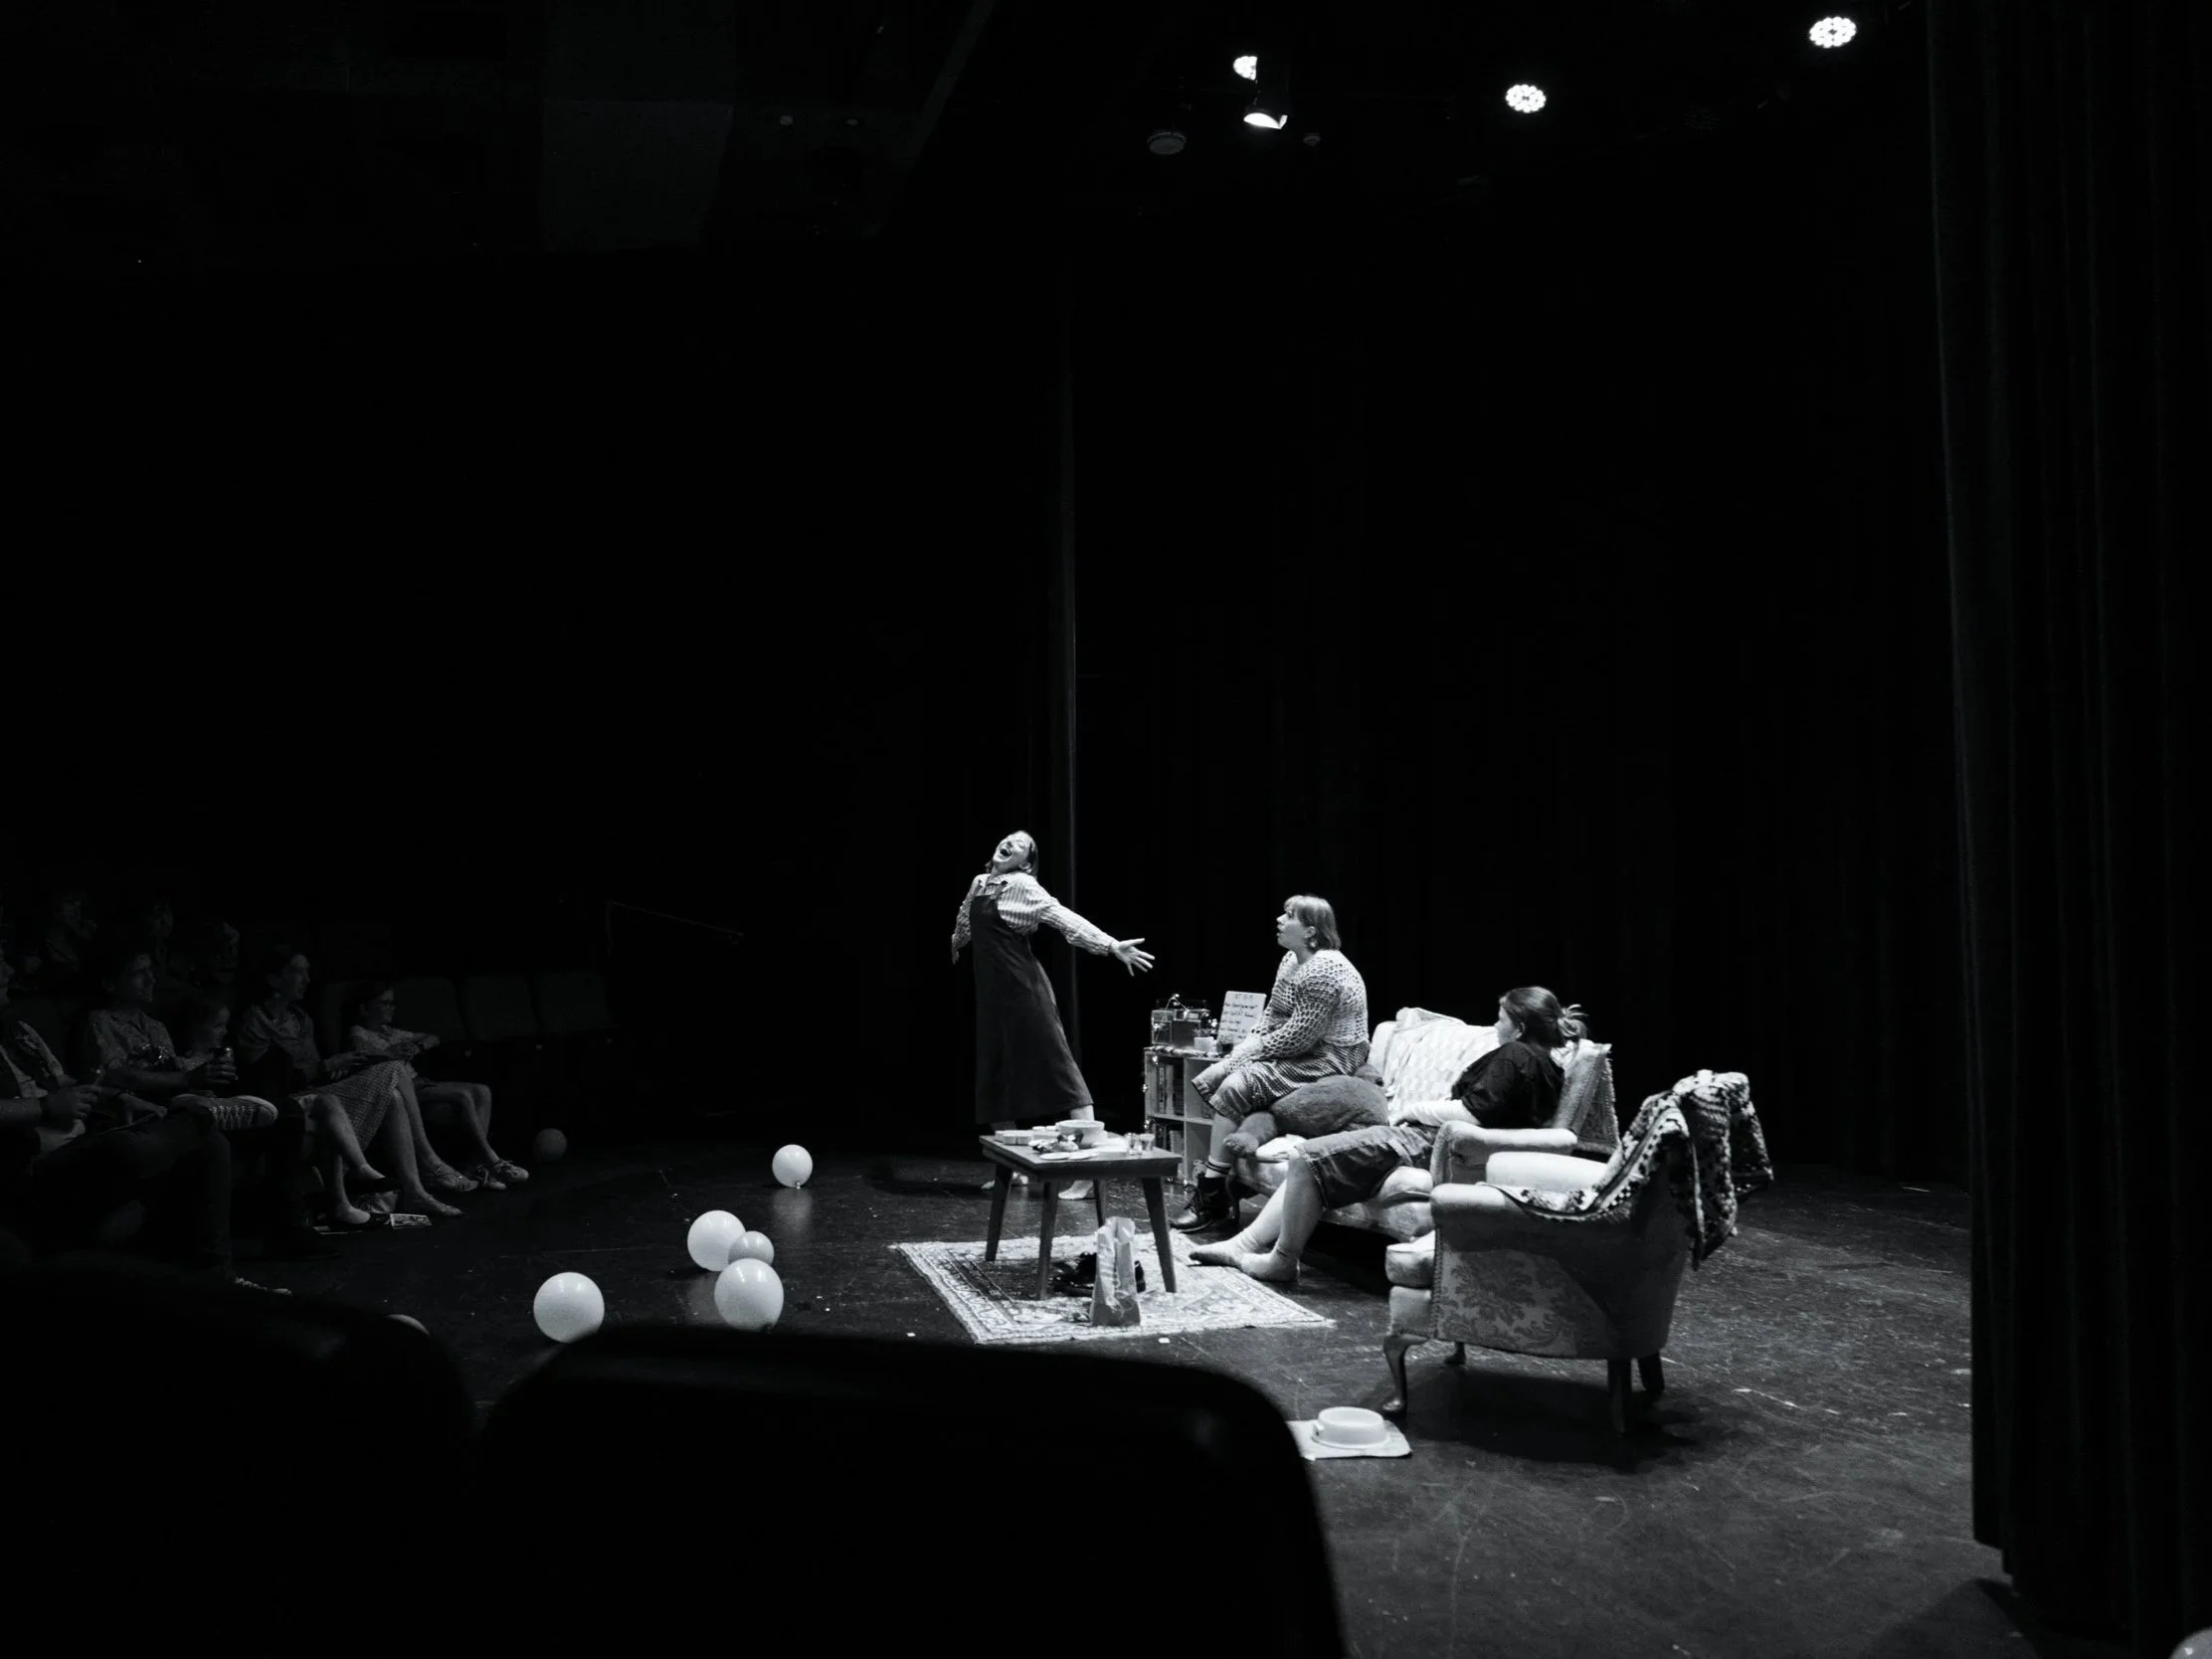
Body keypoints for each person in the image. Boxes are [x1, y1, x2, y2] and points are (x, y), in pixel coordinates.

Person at [1193, 987, 1586, 1282]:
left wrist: (1410, 1111)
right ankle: (1245, 1247)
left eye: (1501, 1018)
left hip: (1427, 1142)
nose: (1496, 1024)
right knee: (1315, 1159)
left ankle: (1278, 1260)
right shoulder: (1547, 1067)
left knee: (1306, 1156)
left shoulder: (1516, 1055)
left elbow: (1472, 1113)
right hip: (1443, 1144)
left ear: (1518, 1027)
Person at [0, 948, 287, 1294]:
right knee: (133, 1148)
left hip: (82, 1132)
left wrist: (117, 1098)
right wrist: (44, 1107)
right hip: (33, 1158)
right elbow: (62, 1095)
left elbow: (63, 1081)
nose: (7, 970)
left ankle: (218, 1282)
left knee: (210, 1143)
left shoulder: (20, 1029)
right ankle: (200, 1114)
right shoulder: (98, 1021)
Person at [78, 940, 336, 1261]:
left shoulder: (155, 1026)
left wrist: (198, 1079)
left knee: (286, 1113)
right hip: (147, 1116)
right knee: (253, 1116)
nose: (150, 980)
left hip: (183, 1100)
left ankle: (288, 1224)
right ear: (110, 983)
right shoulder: (99, 1022)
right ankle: (282, 1226)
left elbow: (173, 1070)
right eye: (138, 974)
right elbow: (118, 1076)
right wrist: (188, 1078)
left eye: (151, 972)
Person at [952, 830, 1156, 1198]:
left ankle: (1088, 1171)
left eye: (1020, 845)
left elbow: (1064, 919)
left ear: (1026, 863)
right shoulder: (980, 883)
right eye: (1008, 838)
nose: (1009, 843)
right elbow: (967, 916)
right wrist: (956, 941)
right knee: (996, 1078)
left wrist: (1111, 945)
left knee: (1060, 1072)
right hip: (994, 998)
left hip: (1025, 991)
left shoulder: (1024, 887)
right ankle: (1013, 1171)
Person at [236, 946, 479, 1225]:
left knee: (395, 1094)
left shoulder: (301, 1019)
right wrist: (328, 1065)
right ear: (273, 979)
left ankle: (415, 1189)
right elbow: (268, 1079)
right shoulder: (254, 1020)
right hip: (282, 1101)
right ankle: (429, 1163)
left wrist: (341, 1067)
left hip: (314, 1089)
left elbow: (314, 1073)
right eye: (297, 971)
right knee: (393, 1068)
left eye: (307, 971)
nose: (306, 978)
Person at [1171, 896, 1371, 1231]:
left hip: (1333, 1056)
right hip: (1304, 1051)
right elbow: (1271, 1019)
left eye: (1289, 915)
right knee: (1233, 1077)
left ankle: (1212, 1195)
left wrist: (1232, 1064)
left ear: (1310, 931)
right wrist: (1238, 1054)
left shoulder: (1326, 969)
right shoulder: (1290, 961)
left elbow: (1297, 1037)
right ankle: (1217, 1192)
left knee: (1235, 1084)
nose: (1279, 919)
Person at [348, 983, 526, 1190]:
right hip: (402, 1089)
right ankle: (492, 1160)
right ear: (365, 1009)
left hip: (421, 1082)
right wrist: (391, 1051)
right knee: (462, 1096)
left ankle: (475, 1167)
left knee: (482, 1090)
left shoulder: (392, 1032)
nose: (391, 1007)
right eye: (384, 1003)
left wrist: (418, 1046)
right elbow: (361, 1052)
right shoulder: (359, 1031)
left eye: (392, 1003)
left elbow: (433, 1038)